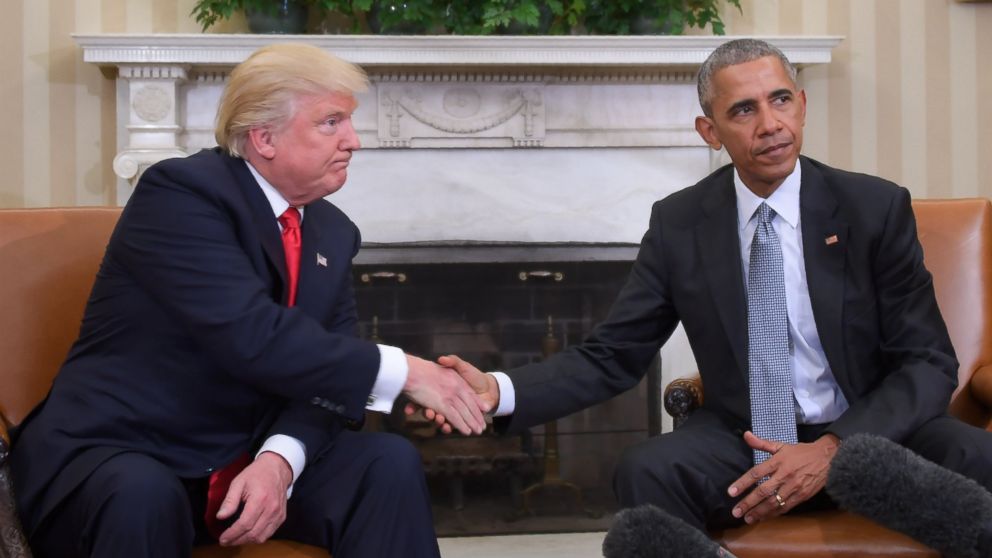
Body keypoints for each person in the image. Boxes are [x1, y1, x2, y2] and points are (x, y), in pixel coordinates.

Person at [434, 38, 992, 533]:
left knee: (977, 457)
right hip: (744, 442)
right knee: (646, 470)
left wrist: (833, 449)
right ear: (710, 131)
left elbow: (927, 362)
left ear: (803, 105)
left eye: (780, 99)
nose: (770, 123)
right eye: (743, 110)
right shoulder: (680, 224)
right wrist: (500, 392)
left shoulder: (873, 208)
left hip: (872, 434)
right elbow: (614, 355)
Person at [10, 43, 488, 558]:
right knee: (141, 491)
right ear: (264, 138)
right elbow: (251, 334)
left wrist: (279, 460)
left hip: (243, 457)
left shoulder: (333, 231)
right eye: (331, 123)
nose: (353, 141)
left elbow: (327, 381)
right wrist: (409, 373)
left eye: (349, 122)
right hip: (125, 449)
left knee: (386, 463)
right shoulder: (180, 194)